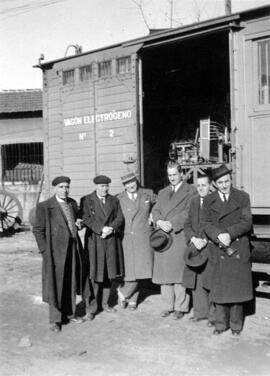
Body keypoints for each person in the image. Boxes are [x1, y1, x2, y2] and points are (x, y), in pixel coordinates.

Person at [201, 164, 253, 336]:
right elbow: (205, 224)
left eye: (227, 181)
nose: (225, 185)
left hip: (236, 246)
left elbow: (247, 222)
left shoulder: (243, 197)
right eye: (221, 182)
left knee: (236, 289)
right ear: (215, 184)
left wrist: (228, 234)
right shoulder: (208, 200)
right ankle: (220, 324)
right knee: (220, 288)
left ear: (231, 180)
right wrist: (218, 236)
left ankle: (236, 325)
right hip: (218, 248)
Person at [33, 176, 87, 333]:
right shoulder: (45, 206)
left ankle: (70, 314)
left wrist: (79, 223)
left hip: (72, 248)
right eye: (61, 187)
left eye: (67, 187)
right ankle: (55, 320)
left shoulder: (72, 204)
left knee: (71, 282)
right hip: (54, 252)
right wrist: (45, 251)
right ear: (55, 188)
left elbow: (75, 222)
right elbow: (38, 230)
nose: (65, 190)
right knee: (55, 285)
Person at [152, 160, 197, 319]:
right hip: (163, 237)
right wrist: (159, 221)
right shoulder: (163, 192)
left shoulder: (191, 191)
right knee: (165, 274)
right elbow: (155, 210)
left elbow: (189, 212)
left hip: (177, 235)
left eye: (175, 174)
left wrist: (171, 223)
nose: (172, 178)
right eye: (169, 175)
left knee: (178, 274)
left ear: (181, 174)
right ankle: (167, 305)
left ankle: (181, 307)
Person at [80, 175, 124, 318]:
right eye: (101, 186)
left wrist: (111, 228)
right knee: (94, 275)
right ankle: (91, 309)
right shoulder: (87, 200)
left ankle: (105, 304)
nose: (104, 189)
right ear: (95, 186)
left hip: (110, 240)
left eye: (106, 186)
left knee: (107, 274)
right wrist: (101, 229)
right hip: (95, 241)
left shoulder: (114, 200)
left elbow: (120, 218)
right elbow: (86, 218)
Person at [117, 172, 156, 310]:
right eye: (127, 183)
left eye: (132, 182)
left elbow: (159, 204)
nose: (131, 185)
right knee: (130, 270)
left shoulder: (147, 194)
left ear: (136, 181)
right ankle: (133, 299)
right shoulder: (119, 198)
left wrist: (153, 214)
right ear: (124, 186)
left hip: (143, 237)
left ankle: (123, 293)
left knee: (142, 269)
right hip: (127, 237)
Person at [182, 174, 215, 325]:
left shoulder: (216, 202)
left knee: (211, 280)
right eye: (199, 185)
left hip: (211, 246)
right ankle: (200, 312)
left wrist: (206, 240)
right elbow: (187, 224)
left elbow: (219, 226)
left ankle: (214, 317)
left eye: (204, 185)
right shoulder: (194, 201)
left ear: (210, 186)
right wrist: (193, 239)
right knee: (197, 279)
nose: (201, 188)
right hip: (196, 246)